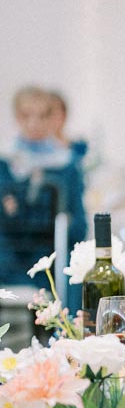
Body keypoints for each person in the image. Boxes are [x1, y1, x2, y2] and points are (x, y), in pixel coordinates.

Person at [0, 86, 87, 289]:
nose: (34, 124)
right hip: (8, 266)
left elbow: (79, 228)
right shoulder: (5, 165)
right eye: (26, 116)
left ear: (52, 119)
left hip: (52, 268)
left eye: (42, 116)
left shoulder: (66, 166)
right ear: (17, 118)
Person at [45, 90, 89, 162]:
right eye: (47, 114)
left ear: (64, 115)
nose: (50, 119)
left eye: (55, 113)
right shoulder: (38, 150)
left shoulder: (80, 145)